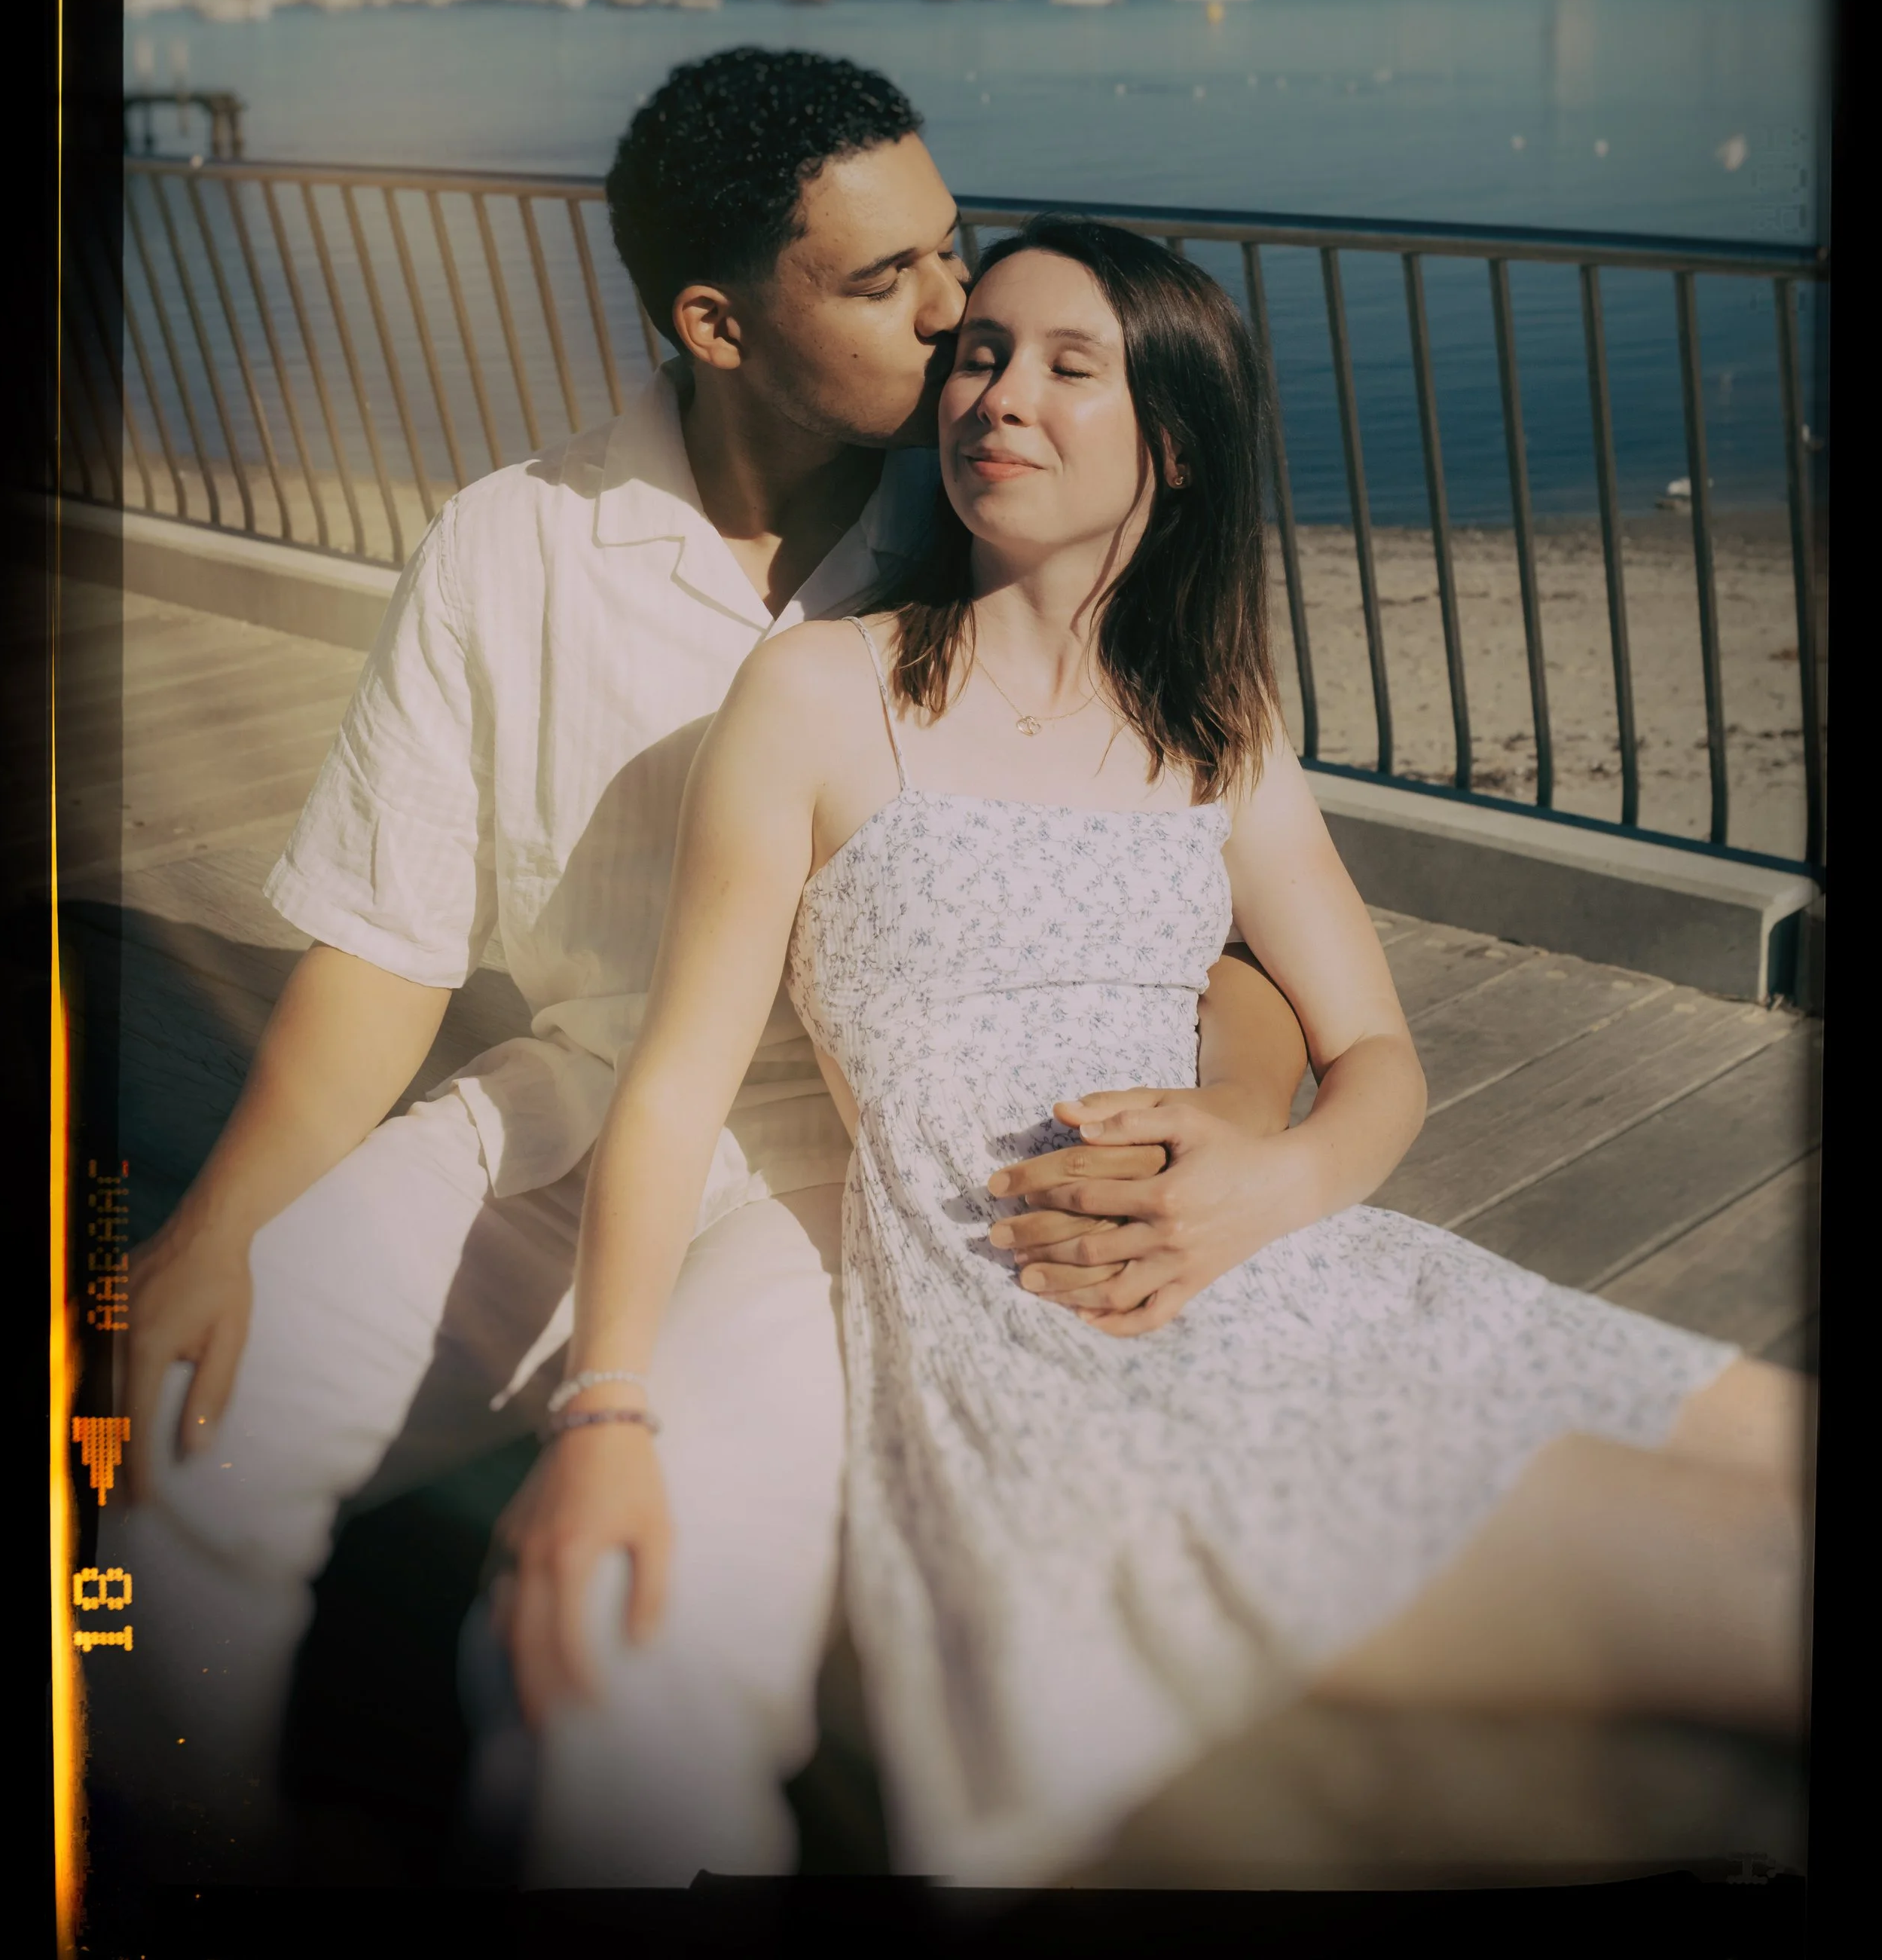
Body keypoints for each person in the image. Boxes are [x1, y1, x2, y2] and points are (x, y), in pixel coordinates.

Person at [96, 53, 1310, 1887]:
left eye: (952, 251)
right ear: (714, 319)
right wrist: (212, 1236)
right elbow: (386, 951)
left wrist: (1222, 1131)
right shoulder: (516, 544)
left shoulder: (1006, 523)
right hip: (565, 1115)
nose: (955, 312)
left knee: (619, 1662)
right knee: (171, 1456)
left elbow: (1220, 933)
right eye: (883, 280)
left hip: (861, 1168)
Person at [496, 215, 1812, 1890]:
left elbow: (1377, 1050)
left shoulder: (1215, 724)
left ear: (1169, 448)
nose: (994, 396)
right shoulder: (820, 694)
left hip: (1296, 1265)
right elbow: (674, 1077)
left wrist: (1274, 1180)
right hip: (1067, 1347)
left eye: (1067, 368)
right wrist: (604, 1407)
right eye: (979, 353)